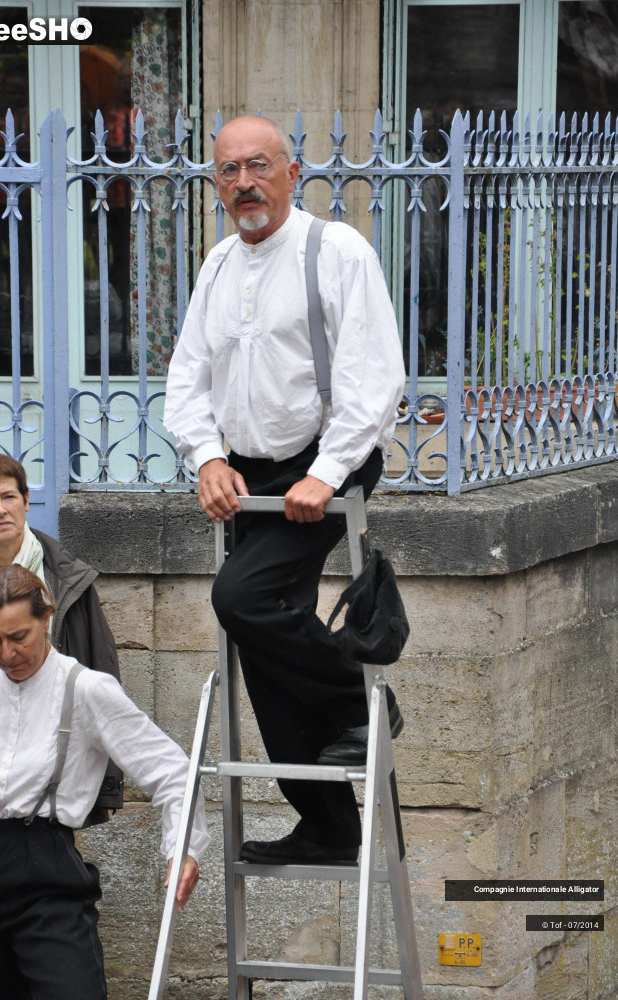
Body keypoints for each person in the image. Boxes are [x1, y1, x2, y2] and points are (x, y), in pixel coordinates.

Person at [163, 115, 406, 866]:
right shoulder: (216, 266)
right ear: (217, 185)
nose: (244, 183)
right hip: (250, 474)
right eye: (229, 172)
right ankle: (330, 824)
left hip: (327, 461)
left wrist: (326, 472)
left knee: (240, 599)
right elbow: (185, 382)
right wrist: (205, 457)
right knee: (262, 637)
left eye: (258, 166)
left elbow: (376, 377)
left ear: (292, 172)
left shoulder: (335, 250)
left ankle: (362, 701)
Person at [0, 563, 209, 1000]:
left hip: (44, 872)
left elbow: (172, 772)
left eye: (19, 637)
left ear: (46, 619)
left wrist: (182, 849)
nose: (7, 654)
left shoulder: (87, 690)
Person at [0, 454, 123, 820]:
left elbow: (102, 667)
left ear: (27, 501)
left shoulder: (68, 576)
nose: (0, 510)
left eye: (9, 497)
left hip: (51, 755)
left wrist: (107, 784)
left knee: (45, 856)